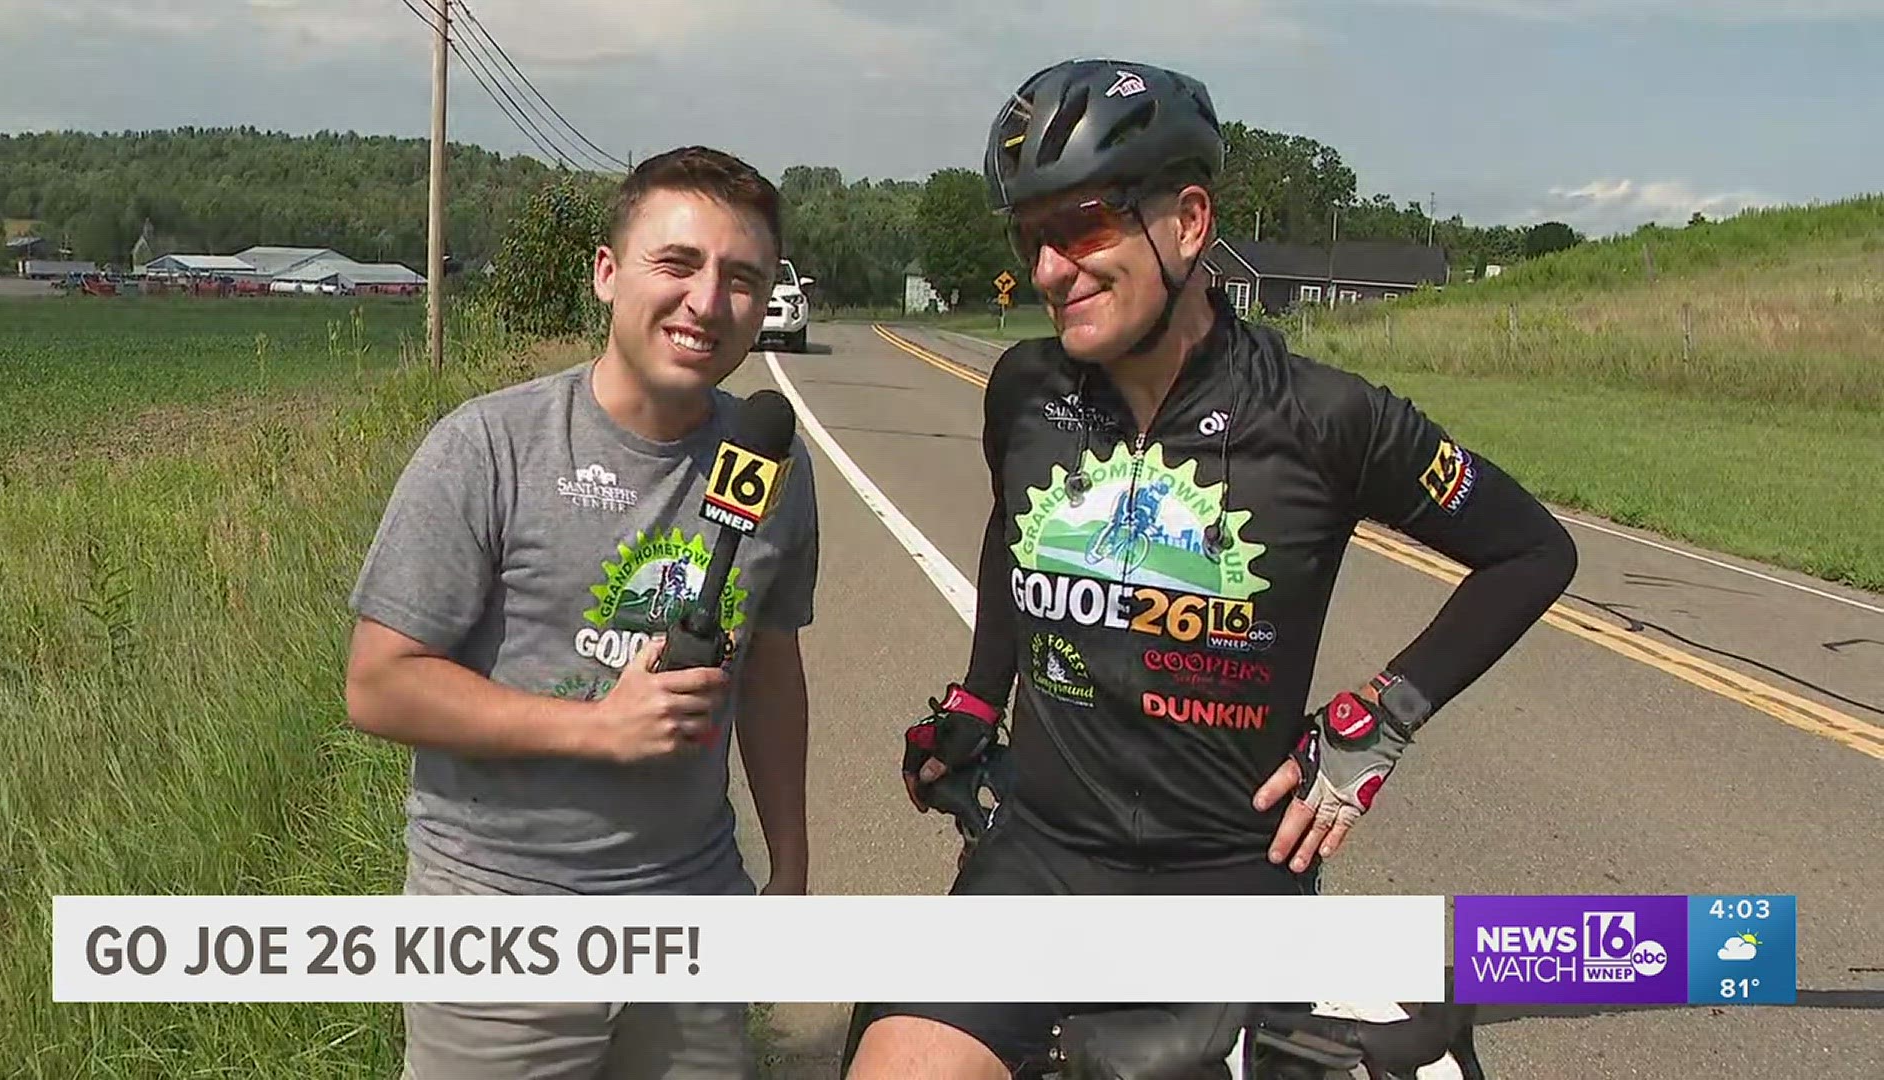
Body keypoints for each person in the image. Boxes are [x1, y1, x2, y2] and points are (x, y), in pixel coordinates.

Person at [843, 59, 1577, 1079]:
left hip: (1232, 879)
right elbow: (1017, 529)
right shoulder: (1024, 389)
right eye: (1032, 236)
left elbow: (1533, 551)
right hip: (1043, 864)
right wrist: (978, 697)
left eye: (1087, 225)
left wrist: (1383, 717)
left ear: (1188, 223)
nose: (1053, 269)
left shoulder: (1325, 420)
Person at [344, 145, 819, 1080]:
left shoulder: (771, 469)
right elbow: (378, 686)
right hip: (498, 921)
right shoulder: (488, 447)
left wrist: (793, 868)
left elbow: (769, 668)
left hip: (691, 913)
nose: (705, 302)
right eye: (676, 264)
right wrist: (597, 730)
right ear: (607, 274)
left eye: (740, 278)